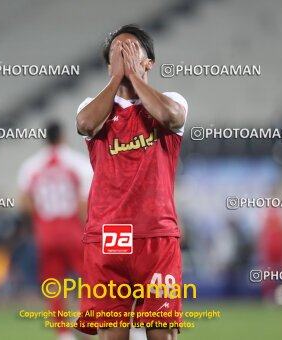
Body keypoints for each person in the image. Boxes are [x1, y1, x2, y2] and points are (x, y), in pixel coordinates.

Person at [75, 24, 188, 340]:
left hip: (157, 236)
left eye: (131, 48)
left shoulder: (172, 100)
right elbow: (84, 125)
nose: (123, 53)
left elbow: (172, 118)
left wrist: (134, 77)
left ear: (149, 61)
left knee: (161, 335)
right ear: (109, 66)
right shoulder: (92, 107)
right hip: (109, 237)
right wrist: (117, 79)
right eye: (116, 52)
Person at [18, 121, 93, 340]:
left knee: (54, 284)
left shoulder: (31, 166)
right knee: (87, 279)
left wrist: (41, 217)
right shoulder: (76, 163)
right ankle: (85, 323)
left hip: (46, 233)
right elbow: (84, 202)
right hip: (73, 230)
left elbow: (23, 202)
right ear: (63, 137)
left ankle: (63, 333)